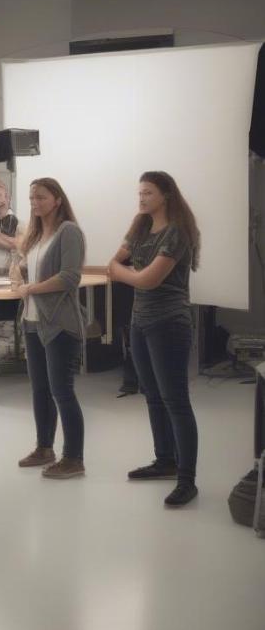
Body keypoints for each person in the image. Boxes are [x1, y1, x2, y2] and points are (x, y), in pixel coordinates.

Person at [107, 171, 201, 507]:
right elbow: (113, 264)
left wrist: (123, 273)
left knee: (176, 400)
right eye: (140, 193)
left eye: (148, 192)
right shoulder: (141, 227)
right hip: (140, 322)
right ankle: (165, 460)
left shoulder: (176, 232)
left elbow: (147, 280)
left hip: (169, 324)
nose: (142, 198)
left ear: (166, 195)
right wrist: (124, 271)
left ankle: (187, 480)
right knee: (152, 396)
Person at [11, 178, 86, 478]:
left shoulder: (69, 232)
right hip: (31, 322)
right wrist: (18, 279)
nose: (35, 202)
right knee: (40, 390)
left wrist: (32, 288)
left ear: (57, 199)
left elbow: (70, 277)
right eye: (31, 198)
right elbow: (21, 265)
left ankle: (74, 458)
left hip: (59, 324)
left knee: (62, 391)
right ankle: (45, 448)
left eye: (41, 197)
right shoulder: (36, 234)